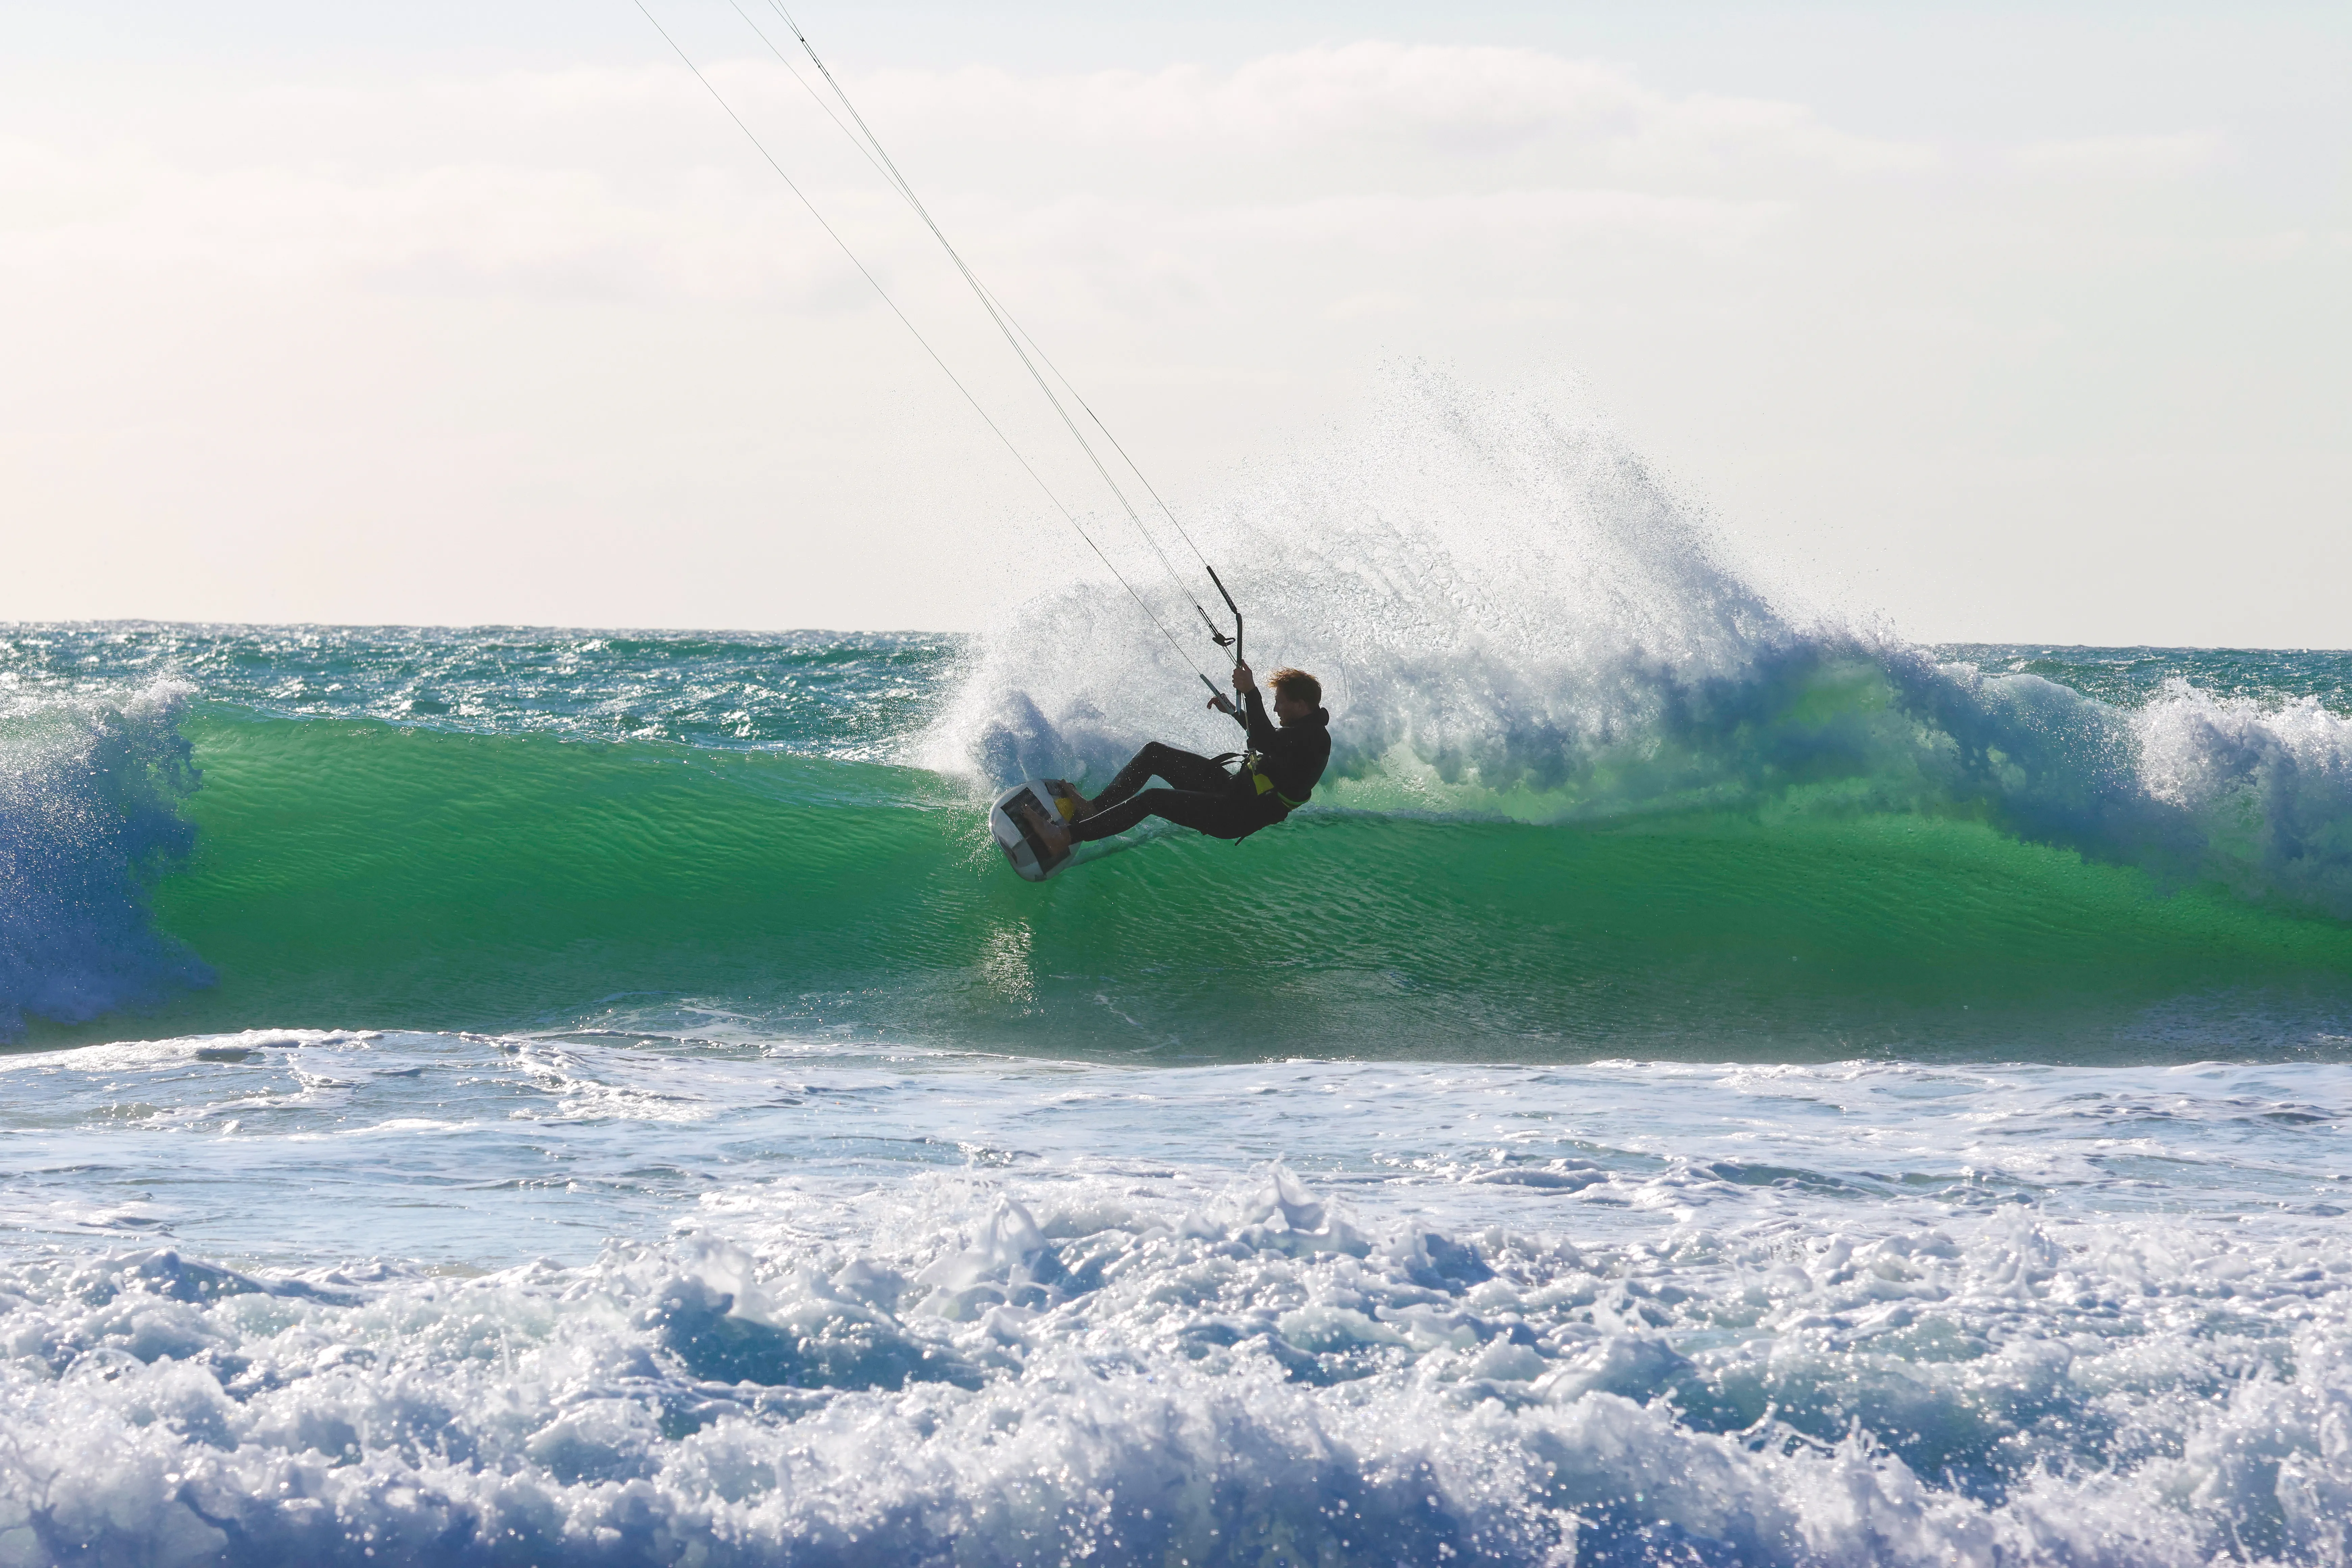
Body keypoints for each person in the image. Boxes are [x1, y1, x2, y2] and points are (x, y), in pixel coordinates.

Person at [1015, 663, 1331, 855]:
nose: (1276, 709)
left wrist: (1252, 692)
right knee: (1155, 753)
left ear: (1301, 704)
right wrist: (1235, 712)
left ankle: (1064, 837)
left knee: (1152, 800)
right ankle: (1094, 810)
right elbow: (1273, 741)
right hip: (1231, 789)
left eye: (1281, 703)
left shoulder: (1316, 739)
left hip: (1235, 813)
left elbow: (1267, 741)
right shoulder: (1304, 732)